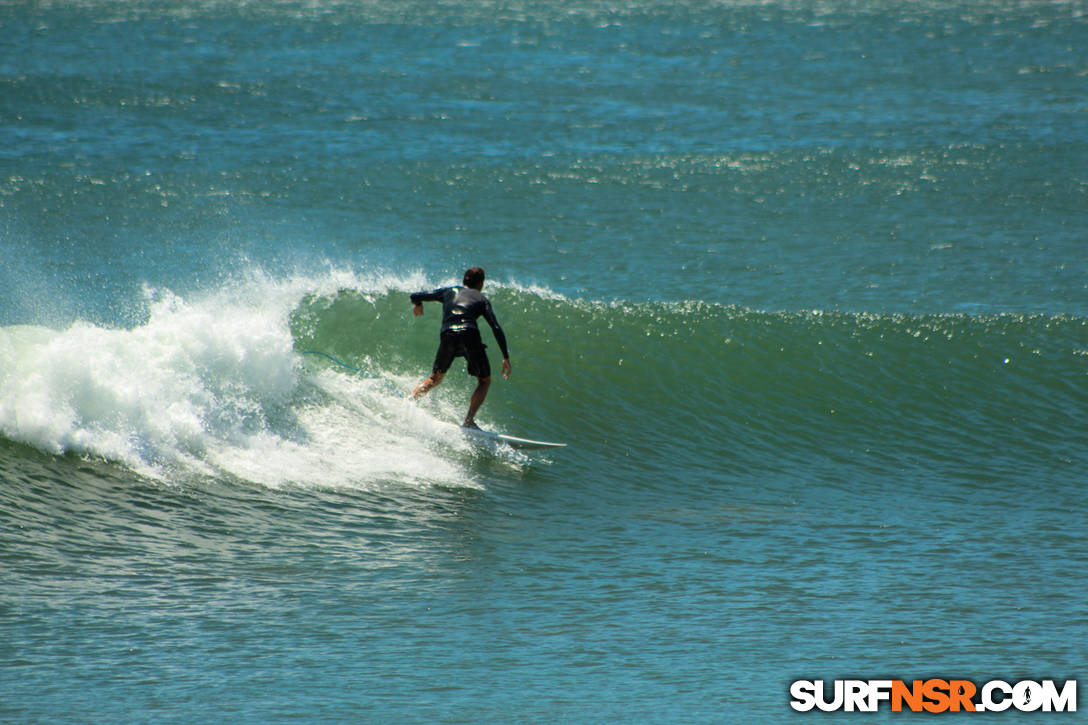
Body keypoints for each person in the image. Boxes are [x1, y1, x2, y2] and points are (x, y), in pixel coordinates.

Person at [410, 267, 512, 429]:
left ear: (464, 280)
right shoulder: (481, 298)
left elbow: (415, 295)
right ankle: (468, 421)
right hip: (469, 334)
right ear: (481, 283)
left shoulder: (449, 291)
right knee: (484, 381)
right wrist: (505, 356)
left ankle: (409, 402)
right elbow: (496, 327)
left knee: (435, 378)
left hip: (448, 335)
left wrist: (418, 305)